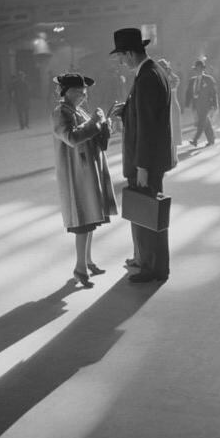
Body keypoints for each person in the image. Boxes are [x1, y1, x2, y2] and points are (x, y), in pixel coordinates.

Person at [108, 27, 174, 284]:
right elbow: (147, 114)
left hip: (145, 161)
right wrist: (126, 110)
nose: (121, 61)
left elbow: (148, 126)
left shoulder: (146, 77)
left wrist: (143, 166)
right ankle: (144, 258)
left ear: (130, 53)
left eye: (121, 56)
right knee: (143, 210)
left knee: (148, 211)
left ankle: (153, 267)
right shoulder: (151, 72)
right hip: (147, 159)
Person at [51, 73, 117, 288]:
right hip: (76, 175)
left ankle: (87, 262)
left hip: (87, 171)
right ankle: (80, 268)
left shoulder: (76, 110)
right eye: (79, 91)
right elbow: (71, 137)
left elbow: (93, 133)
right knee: (82, 221)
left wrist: (103, 124)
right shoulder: (61, 112)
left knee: (89, 220)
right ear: (66, 92)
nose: (83, 95)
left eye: (84, 91)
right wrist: (95, 123)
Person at [184, 59, 217, 147]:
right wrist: (187, 104)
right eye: (197, 69)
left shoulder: (209, 79)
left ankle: (195, 140)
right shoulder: (192, 80)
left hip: (206, 104)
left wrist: (215, 105)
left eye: (200, 69)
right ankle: (211, 139)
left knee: (201, 122)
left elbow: (214, 93)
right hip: (196, 104)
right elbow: (188, 93)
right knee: (205, 121)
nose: (198, 71)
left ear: (203, 69)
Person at [157, 58, 182, 167]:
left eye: (164, 67)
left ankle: (175, 155)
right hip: (163, 108)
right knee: (165, 133)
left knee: (175, 131)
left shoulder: (173, 78)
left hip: (173, 107)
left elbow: (175, 83)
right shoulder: (158, 79)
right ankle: (167, 156)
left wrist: (169, 72)